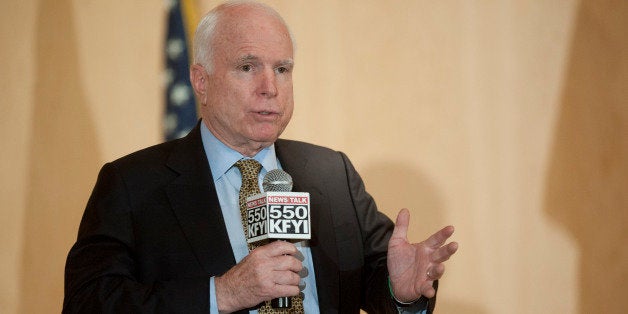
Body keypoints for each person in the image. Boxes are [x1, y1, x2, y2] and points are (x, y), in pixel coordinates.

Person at [63, 1, 458, 313]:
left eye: (282, 69)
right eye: (247, 67)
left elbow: (378, 279)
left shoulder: (331, 173)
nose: (269, 87)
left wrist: (400, 291)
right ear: (201, 81)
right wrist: (222, 294)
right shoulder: (133, 184)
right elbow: (89, 303)